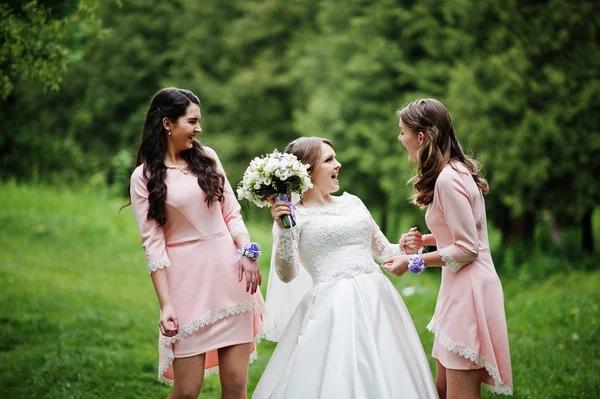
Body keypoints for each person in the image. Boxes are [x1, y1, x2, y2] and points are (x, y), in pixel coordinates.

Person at [253, 137, 438, 399]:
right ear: (307, 170)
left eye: (335, 158)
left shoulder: (353, 203)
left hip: (378, 300)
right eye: (329, 160)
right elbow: (287, 274)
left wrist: (405, 248)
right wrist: (284, 229)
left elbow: (384, 250)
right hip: (331, 308)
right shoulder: (294, 217)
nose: (338, 164)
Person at [127, 87, 265, 398]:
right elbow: (153, 245)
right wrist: (166, 305)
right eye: (192, 121)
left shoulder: (207, 157)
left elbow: (232, 214)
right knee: (187, 391)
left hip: (232, 281)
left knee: (235, 387)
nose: (199, 128)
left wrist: (247, 250)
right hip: (187, 288)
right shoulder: (143, 177)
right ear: (167, 124)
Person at [383, 99, 513, 398]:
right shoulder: (453, 171)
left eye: (402, 131)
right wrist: (424, 241)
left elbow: (468, 248)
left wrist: (413, 262)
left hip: (470, 290)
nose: (399, 138)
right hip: (458, 287)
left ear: (421, 137)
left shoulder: (448, 180)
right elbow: (466, 232)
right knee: (442, 388)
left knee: (458, 394)